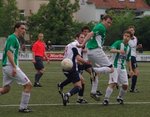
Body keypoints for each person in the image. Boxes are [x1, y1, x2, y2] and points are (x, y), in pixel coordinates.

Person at [78, 15, 114, 101]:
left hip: (91, 52)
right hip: (96, 51)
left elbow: (92, 37)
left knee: (95, 74)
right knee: (111, 69)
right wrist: (83, 44)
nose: (109, 24)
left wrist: (84, 44)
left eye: (110, 23)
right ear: (103, 20)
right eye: (108, 22)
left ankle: (93, 92)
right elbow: (90, 34)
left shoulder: (100, 27)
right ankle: (94, 70)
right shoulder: (101, 27)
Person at [0, 22, 32, 113]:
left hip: (7, 66)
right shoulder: (13, 38)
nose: (24, 31)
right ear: (16, 29)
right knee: (28, 85)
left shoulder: (14, 39)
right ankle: (23, 108)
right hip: (10, 66)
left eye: (25, 29)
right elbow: (9, 53)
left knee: (6, 89)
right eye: (22, 28)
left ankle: (23, 107)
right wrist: (14, 67)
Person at [58, 33, 92, 106]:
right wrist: (87, 63)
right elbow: (78, 58)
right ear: (77, 38)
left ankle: (79, 98)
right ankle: (67, 95)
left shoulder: (70, 44)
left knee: (82, 81)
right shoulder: (76, 45)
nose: (83, 39)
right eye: (81, 37)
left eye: (84, 38)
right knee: (78, 86)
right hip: (71, 67)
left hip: (65, 66)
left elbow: (65, 53)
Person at [103, 30, 134, 105]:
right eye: (125, 36)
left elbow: (128, 59)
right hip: (114, 66)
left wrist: (131, 70)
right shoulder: (118, 43)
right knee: (113, 83)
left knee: (125, 85)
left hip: (123, 68)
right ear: (123, 36)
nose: (126, 37)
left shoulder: (129, 48)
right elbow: (111, 50)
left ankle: (120, 97)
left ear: (130, 38)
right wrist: (119, 51)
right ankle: (106, 99)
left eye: (128, 36)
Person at [128, 26, 142, 93]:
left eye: (132, 30)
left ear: (134, 31)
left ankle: (119, 80)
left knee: (132, 73)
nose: (131, 31)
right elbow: (131, 45)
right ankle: (132, 89)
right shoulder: (128, 38)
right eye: (130, 30)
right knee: (136, 72)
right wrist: (136, 45)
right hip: (131, 56)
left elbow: (134, 47)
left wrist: (138, 47)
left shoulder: (135, 38)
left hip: (133, 56)